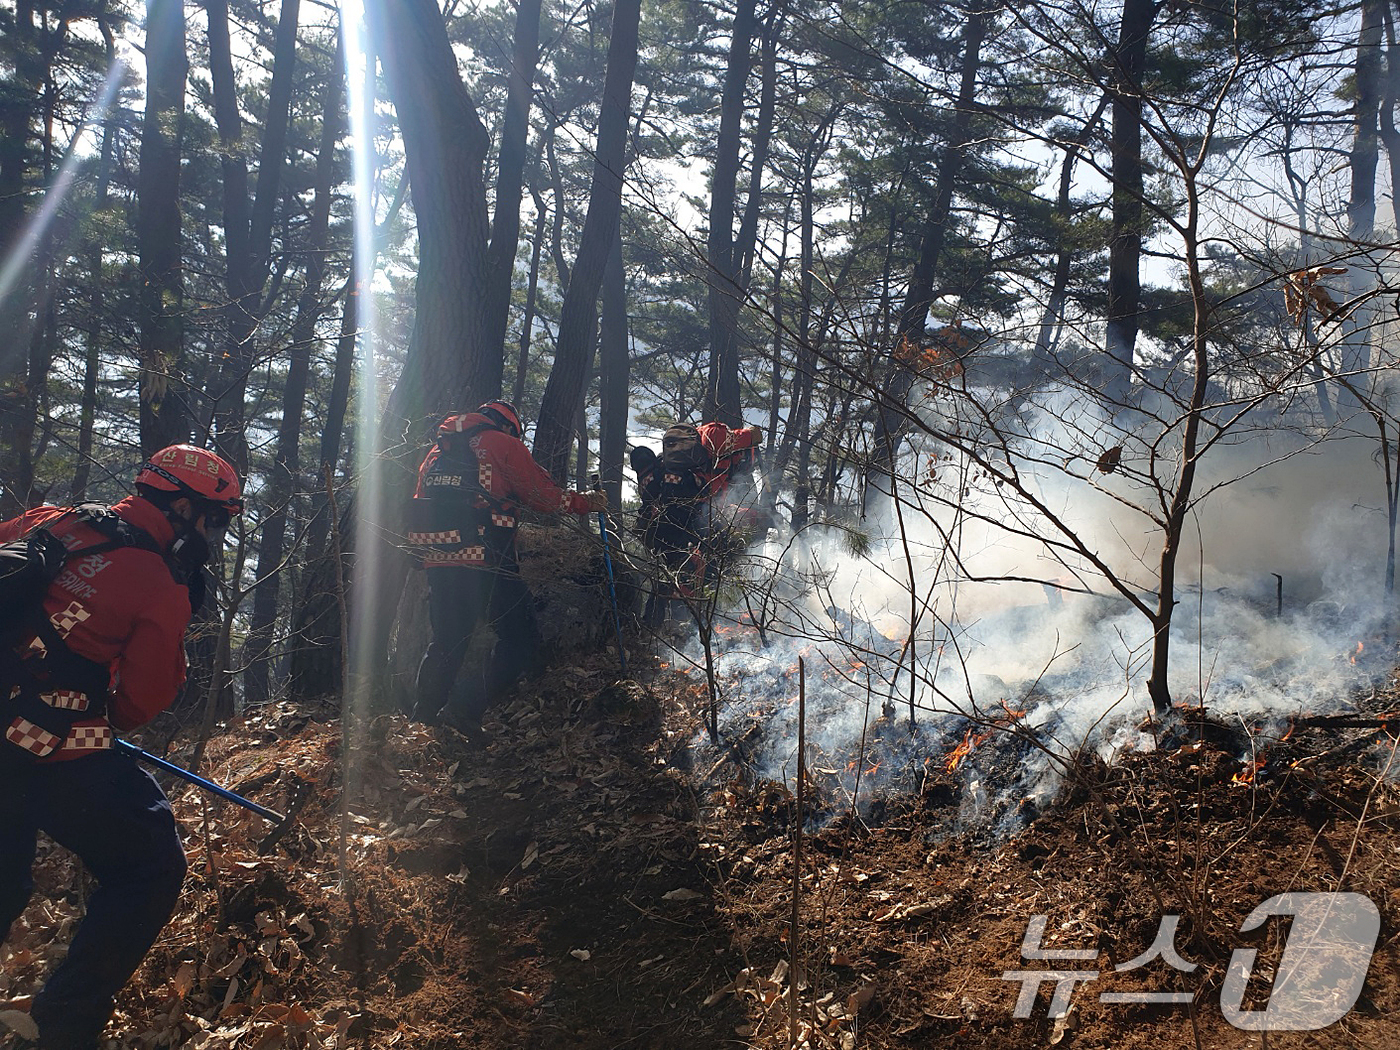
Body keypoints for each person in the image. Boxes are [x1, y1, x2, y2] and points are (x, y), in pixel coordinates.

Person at [0, 443, 243, 1050]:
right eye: (217, 521)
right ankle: (63, 1028)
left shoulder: (49, 520)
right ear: (184, 510)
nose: (217, 535)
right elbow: (145, 696)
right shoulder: (159, 581)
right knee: (149, 867)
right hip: (49, 749)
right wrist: (98, 709)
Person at [408, 400, 607, 737]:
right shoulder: (500, 444)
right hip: (487, 557)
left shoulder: (435, 451)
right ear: (509, 427)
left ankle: (421, 724)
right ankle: (464, 709)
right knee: (521, 639)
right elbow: (542, 496)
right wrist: (586, 502)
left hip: (438, 557)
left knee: (447, 641)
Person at [633, 421, 762, 625]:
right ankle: (681, 627)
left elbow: (714, 504)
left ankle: (672, 624)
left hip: (677, 516)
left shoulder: (719, 467)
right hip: (676, 516)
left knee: (679, 571)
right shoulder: (717, 437)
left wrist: (747, 516)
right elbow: (744, 435)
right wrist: (753, 435)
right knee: (685, 571)